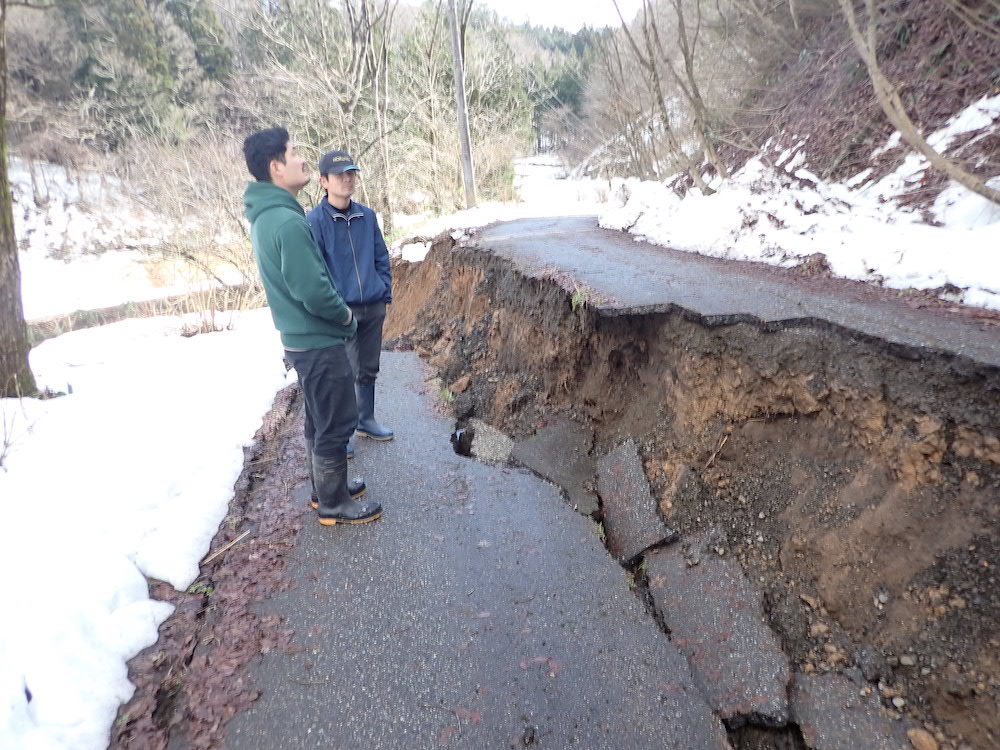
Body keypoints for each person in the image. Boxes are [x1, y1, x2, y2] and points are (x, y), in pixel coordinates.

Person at [242, 127, 381, 526]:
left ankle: (327, 492)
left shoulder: (272, 216)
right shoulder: (285, 222)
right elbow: (312, 289)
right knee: (336, 420)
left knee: (319, 419)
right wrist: (344, 316)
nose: (302, 158)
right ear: (275, 167)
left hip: (303, 341)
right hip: (318, 340)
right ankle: (335, 504)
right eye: (294, 153)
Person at [306, 151, 393, 459]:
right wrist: (333, 310)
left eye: (351, 173)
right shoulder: (314, 222)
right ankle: (340, 436)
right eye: (340, 174)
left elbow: (381, 256)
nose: (347, 178)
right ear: (324, 181)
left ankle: (366, 420)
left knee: (368, 369)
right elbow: (314, 272)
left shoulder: (367, 216)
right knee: (341, 376)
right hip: (340, 313)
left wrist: (384, 292)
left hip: (372, 306)